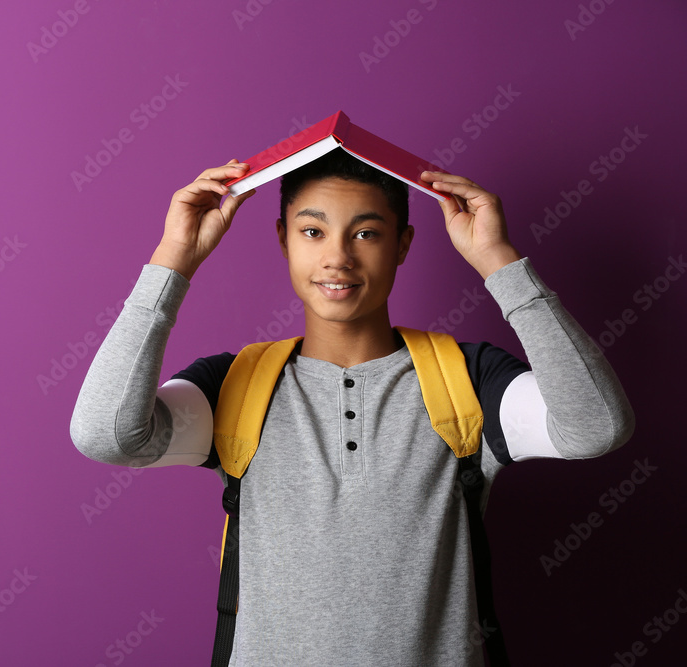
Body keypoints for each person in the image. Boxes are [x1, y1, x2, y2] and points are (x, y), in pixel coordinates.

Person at [69, 149, 634, 665]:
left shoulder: (469, 376)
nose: (336, 257)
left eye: (365, 233)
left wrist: (499, 262)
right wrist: (173, 262)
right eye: (312, 230)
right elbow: (107, 434)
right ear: (283, 239)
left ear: (403, 244)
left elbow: (596, 427)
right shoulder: (234, 384)